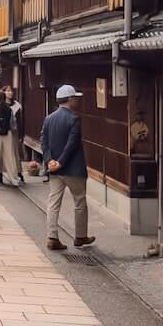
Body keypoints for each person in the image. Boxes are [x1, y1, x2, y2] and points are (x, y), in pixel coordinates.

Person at [41, 83, 95, 252]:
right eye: (75, 98)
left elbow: (44, 140)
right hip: (73, 169)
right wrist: (61, 162)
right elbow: (72, 144)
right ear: (70, 99)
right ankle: (80, 236)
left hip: (55, 170)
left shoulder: (49, 118)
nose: (77, 101)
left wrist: (50, 161)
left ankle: (52, 236)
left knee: (53, 202)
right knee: (79, 201)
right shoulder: (74, 118)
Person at [0, 86, 21, 187]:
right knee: (10, 157)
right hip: (7, 133)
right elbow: (13, 123)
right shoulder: (9, 109)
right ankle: (14, 179)